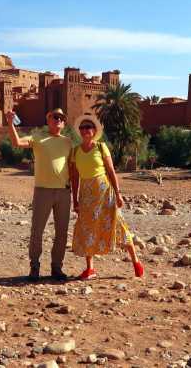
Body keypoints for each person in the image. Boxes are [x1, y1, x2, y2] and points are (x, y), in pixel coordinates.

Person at [70, 114, 144, 280]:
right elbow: (75, 178)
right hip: (87, 194)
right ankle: (90, 268)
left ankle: (136, 261)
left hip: (104, 191)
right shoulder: (75, 151)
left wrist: (118, 193)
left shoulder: (101, 147)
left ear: (94, 131)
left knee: (118, 224)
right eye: (82, 127)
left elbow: (111, 171)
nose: (85, 130)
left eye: (88, 127)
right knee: (86, 227)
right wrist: (75, 200)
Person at [6, 108, 72, 282]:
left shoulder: (68, 142)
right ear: (48, 119)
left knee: (62, 233)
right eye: (54, 117)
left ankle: (57, 268)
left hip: (64, 192)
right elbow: (17, 143)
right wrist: (10, 123)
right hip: (43, 191)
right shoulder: (37, 138)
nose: (58, 119)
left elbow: (76, 165)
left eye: (61, 118)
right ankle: (34, 267)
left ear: (64, 123)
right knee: (37, 231)